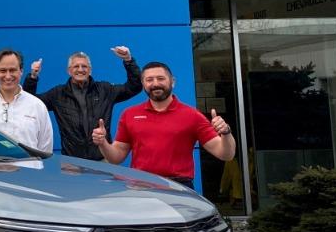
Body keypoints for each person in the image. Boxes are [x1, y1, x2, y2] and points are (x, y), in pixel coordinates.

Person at [90, 61, 236, 188]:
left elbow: (225, 154)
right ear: (143, 84)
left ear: (172, 81)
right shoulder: (129, 114)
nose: (155, 84)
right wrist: (102, 143)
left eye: (161, 78)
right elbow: (116, 158)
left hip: (179, 186)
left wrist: (226, 132)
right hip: (141, 186)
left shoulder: (192, 115)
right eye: (149, 80)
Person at [23, 46, 143, 160]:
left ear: (90, 70)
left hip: (103, 160)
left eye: (84, 66)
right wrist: (32, 77)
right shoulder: (58, 94)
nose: (80, 70)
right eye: (76, 66)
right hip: (71, 164)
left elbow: (134, 87)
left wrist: (128, 60)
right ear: (69, 71)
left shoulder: (105, 90)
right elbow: (31, 102)